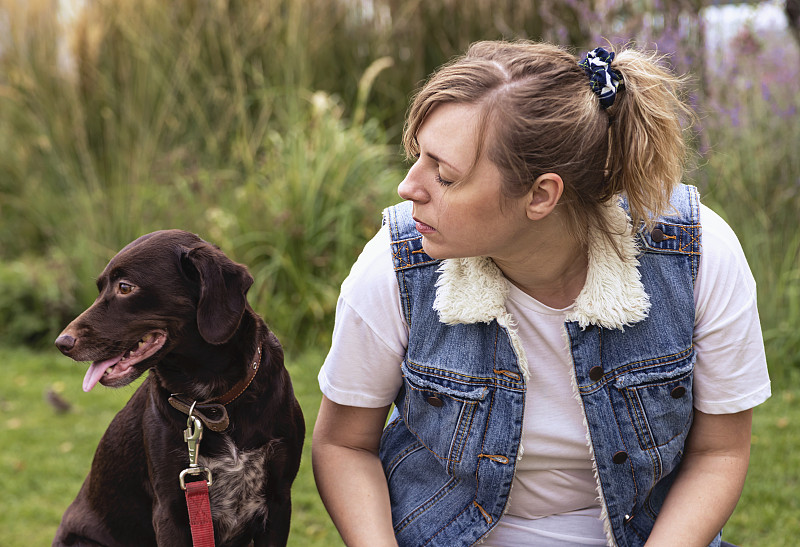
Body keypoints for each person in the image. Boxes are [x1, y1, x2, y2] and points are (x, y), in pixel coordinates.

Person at [312, 40, 771, 547]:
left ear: (540, 195)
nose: (408, 187)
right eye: (419, 156)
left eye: (444, 175)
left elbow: (720, 452)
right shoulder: (396, 263)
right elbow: (343, 444)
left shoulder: (696, 254)